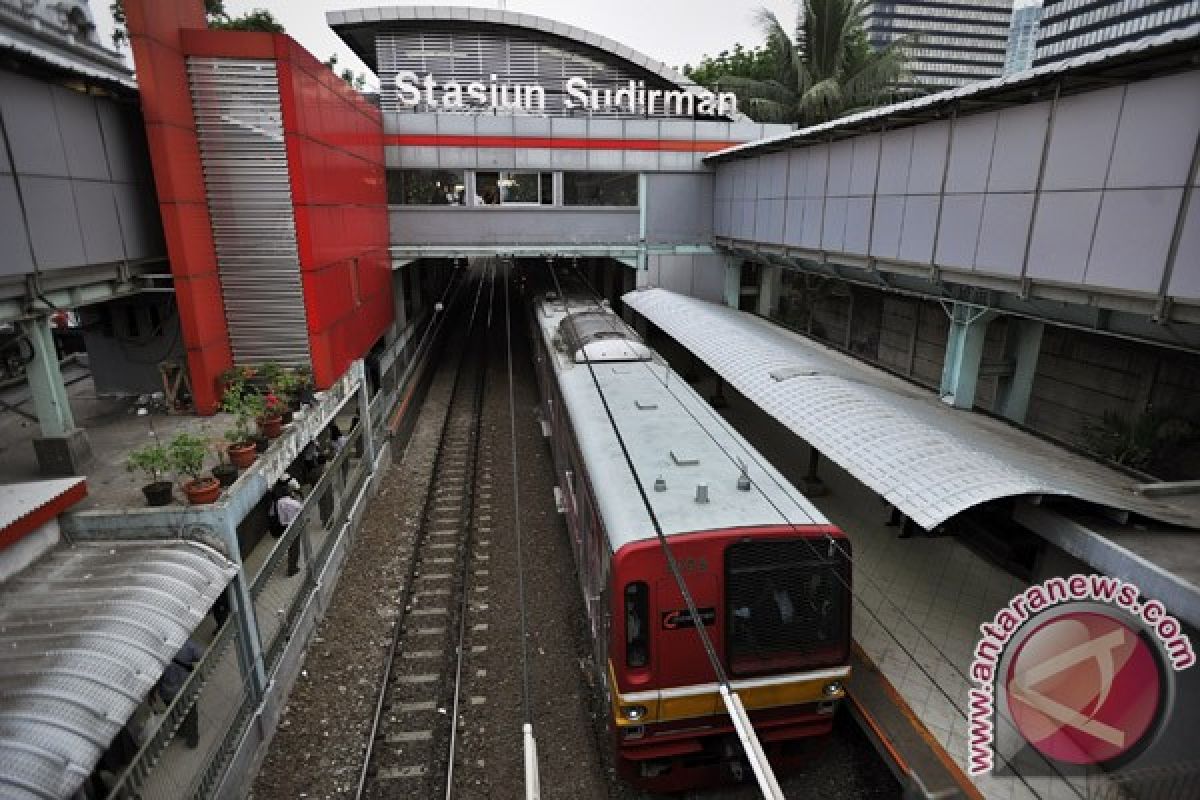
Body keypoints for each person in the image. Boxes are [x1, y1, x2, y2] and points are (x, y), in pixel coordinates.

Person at [156, 639, 203, 749]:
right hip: (186, 687)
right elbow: (199, 654)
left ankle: (181, 731)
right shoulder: (185, 645)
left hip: (167, 693)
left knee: (175, 712)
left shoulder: (155, 656)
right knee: (191, 714)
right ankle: (192, 738)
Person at [274, 481, 305, 577]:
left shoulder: (279, 502)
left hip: (284, 526)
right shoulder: (295, 503)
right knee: (295, 548)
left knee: (290, 547)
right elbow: (301, 510)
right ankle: (292, 568)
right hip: (294, 525)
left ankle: (291, 566)